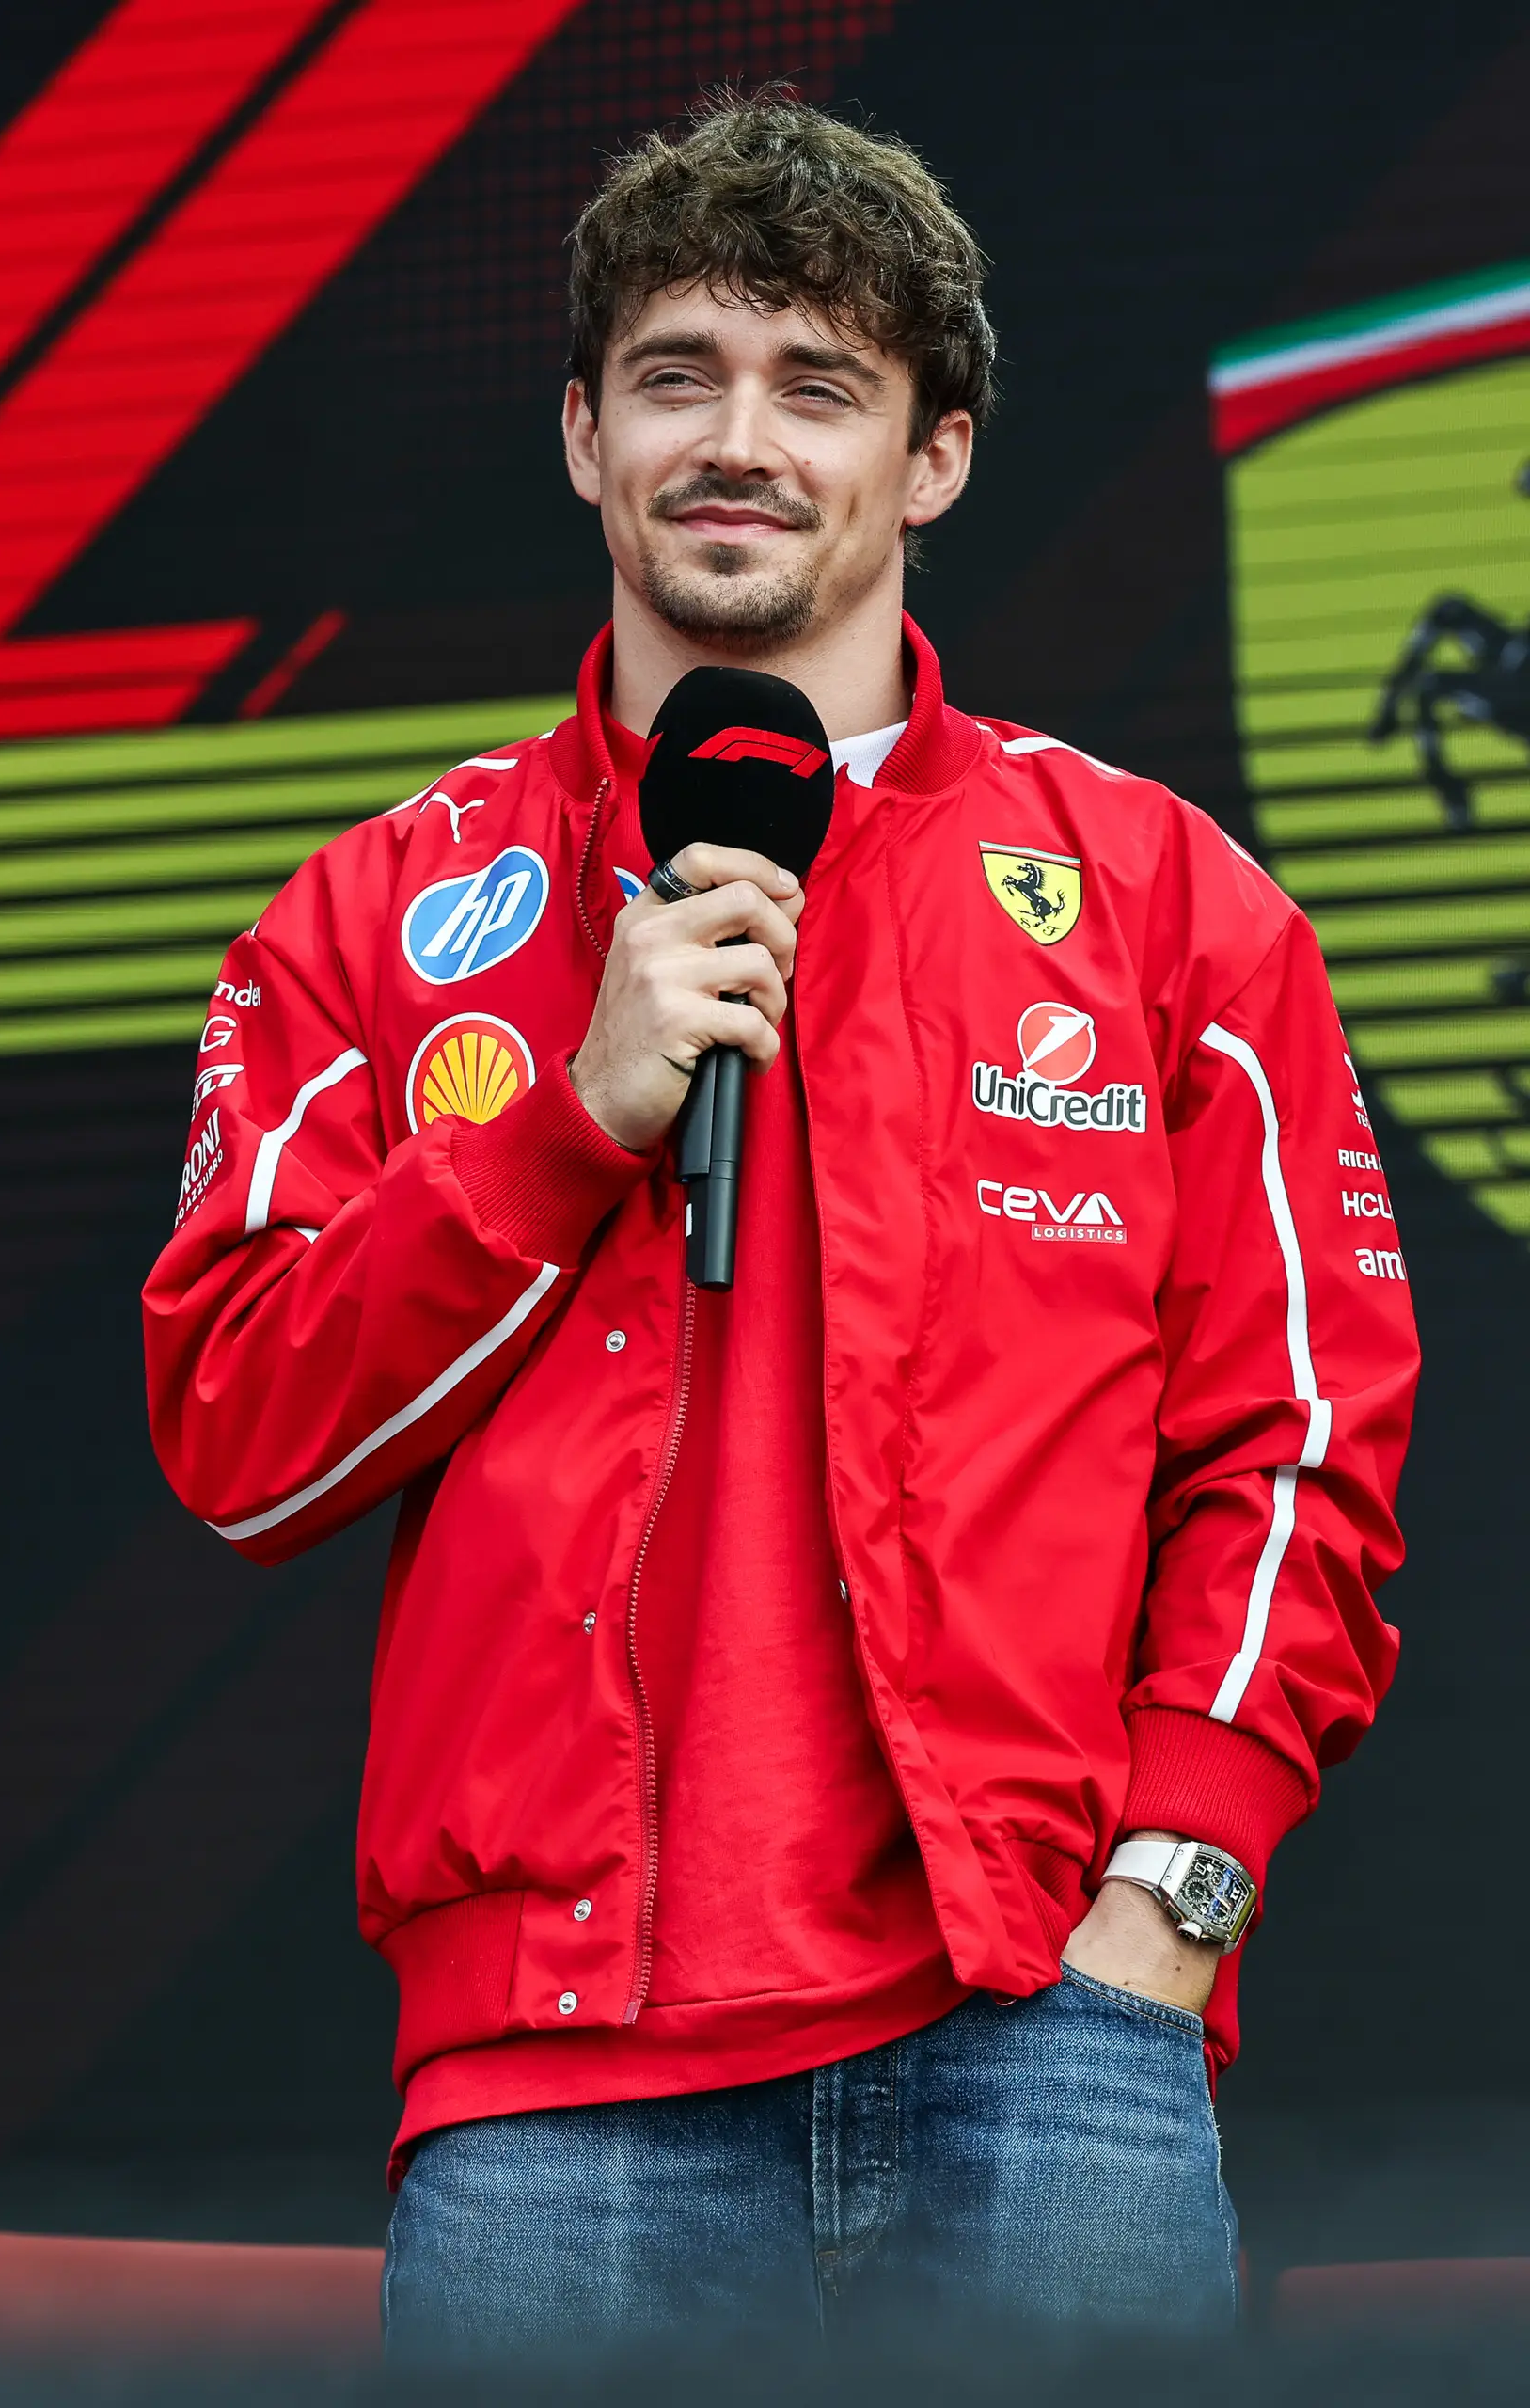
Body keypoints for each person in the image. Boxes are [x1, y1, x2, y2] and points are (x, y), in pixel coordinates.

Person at [146, 97, 1414, 2347]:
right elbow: (238, 1426)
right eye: (677, 375)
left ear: (930, 457)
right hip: (554, 2083)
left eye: (818, 385)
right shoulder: (375, 913)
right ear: (579, 435)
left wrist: (1170, 1897)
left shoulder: (1166, 904)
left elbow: (1300, 1446)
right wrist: (569, 1123)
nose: (739, 442)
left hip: (1049, 2026)